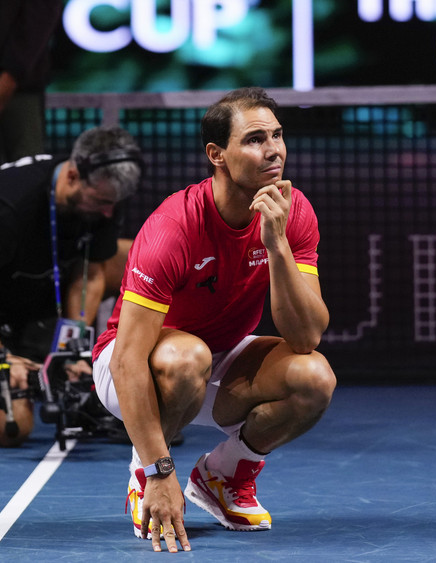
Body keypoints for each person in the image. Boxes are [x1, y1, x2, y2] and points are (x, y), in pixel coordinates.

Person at [92, 87, 336, 553]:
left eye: (278, 135)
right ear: (216, 155)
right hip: (129, 365)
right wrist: (157, 471)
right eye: (255, 139)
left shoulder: (292, 210)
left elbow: (305, 335)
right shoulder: (174, 227)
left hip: (218, 358)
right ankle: (146, 469)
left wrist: (277, 245)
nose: (273, 150)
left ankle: (222, 477)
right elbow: (127, 359)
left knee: (314, 377)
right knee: (187, 356)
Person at [0, 126, 144, 447]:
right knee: (12, 428)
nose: (109, 212)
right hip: (6, 307)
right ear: (73, 177)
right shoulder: (10, 206)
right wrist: (3, 357)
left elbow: (92, 272)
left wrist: (72, 345)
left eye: (113, 203)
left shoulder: (103, 193)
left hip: (42, 287)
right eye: (101, 202)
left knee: (143, 258)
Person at [0, 0, 61, 163]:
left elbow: (40, 16)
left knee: (24, 170)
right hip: (16, 80)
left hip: (17, 88)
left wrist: (12, 74)